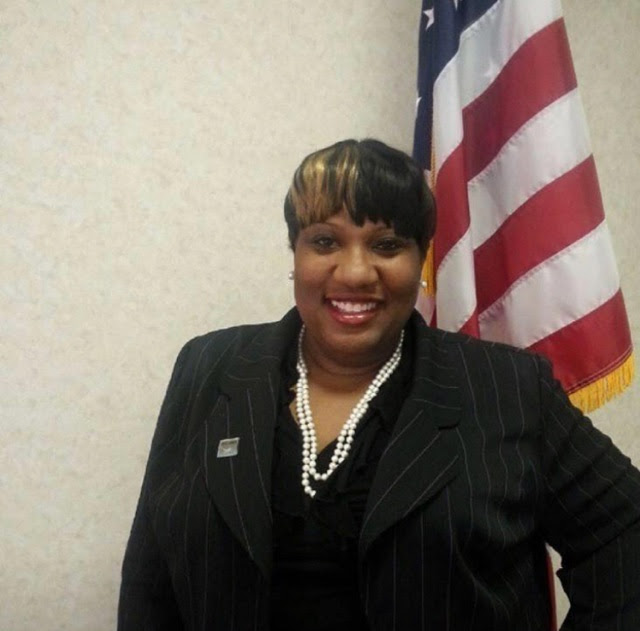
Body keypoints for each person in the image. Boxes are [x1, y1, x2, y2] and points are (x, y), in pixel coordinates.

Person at [118, 139, 640, 630]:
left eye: (387, 245)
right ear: (295, 252)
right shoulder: (208, 368)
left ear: (420, 259)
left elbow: (625, 531)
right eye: (325, 241)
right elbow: (151, 572)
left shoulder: (508, 389)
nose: (355, 273)